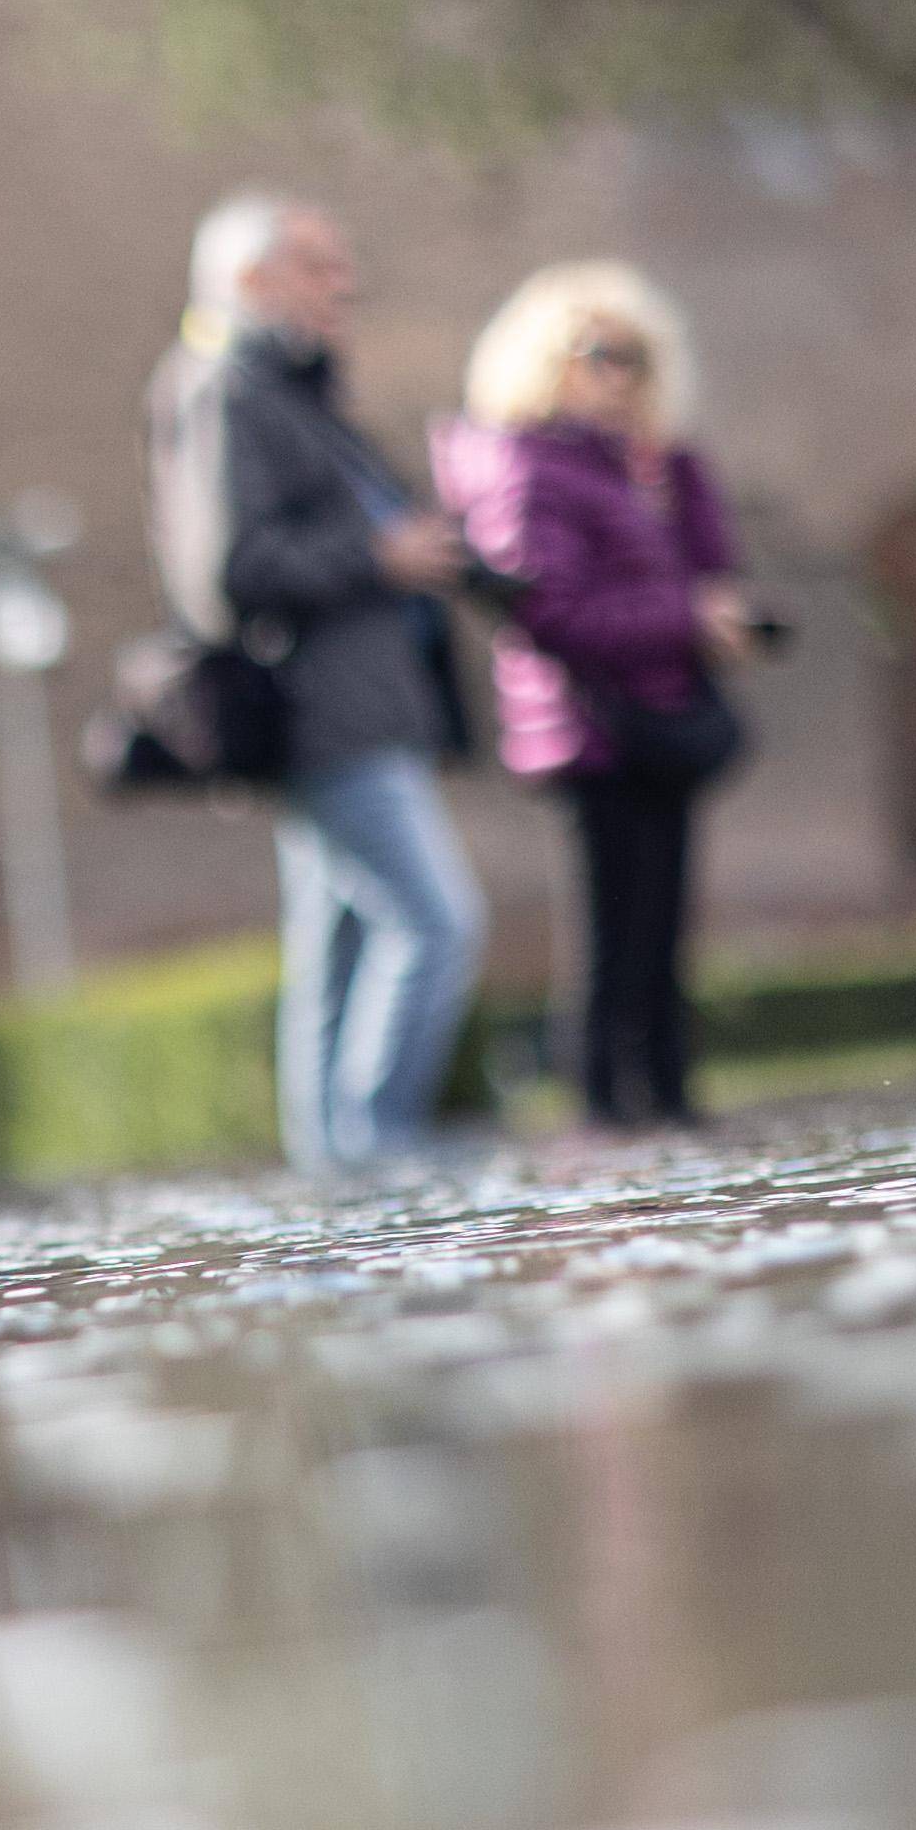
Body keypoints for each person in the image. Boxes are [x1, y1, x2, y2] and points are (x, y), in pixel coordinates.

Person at [151, 191, 490, 1171]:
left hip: (358, 706)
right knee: (434, 922)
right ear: (247, 279)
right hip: (319, 714)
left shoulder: (285, 390)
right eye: (314, 263)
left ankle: (334, 1171)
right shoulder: (222, 388)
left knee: (334, 951)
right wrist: (375, 554)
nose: (341, 282)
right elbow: (224, 575)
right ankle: (377, 1148)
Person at [433, 261, 757, 1133]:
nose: (621, 376)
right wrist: (682, 616)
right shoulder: (525, 465)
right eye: (601, 355)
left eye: (637, 358)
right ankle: (605, 1103)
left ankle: (669, 1090)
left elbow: (710, 562)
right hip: (589, 725)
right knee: (611, 926)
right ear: (546, 360)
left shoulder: (646, 465)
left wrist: (674, 483)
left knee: (665, 918)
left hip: (666, 711)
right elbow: (548, 607)